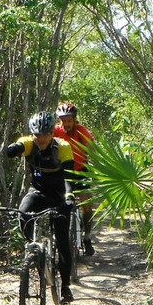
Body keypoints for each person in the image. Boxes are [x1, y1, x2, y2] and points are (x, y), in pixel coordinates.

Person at [5, 111, 78, 304]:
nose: (41, 139)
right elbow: (19, 146)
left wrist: (69, 196)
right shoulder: (30, 143)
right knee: (23, 214)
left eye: (45, 134)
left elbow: (70, 176)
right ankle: (35, 251)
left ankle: (65, 287)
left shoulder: (62, 147)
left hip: (60, 196)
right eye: (37, 135)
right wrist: (13, 149)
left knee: (62, 240)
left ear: (52, 133)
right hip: (37, 192)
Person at [53, 102, 96, 256]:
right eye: (63, 121)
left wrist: (91, 150)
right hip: (62, 172)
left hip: (80, 171)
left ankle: (87, 237)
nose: (67, 124)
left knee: (86, 203)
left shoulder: (81, 130)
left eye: (69, 121)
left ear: (74, 119)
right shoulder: (55, 131)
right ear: (59, 121)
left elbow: (91, 146)